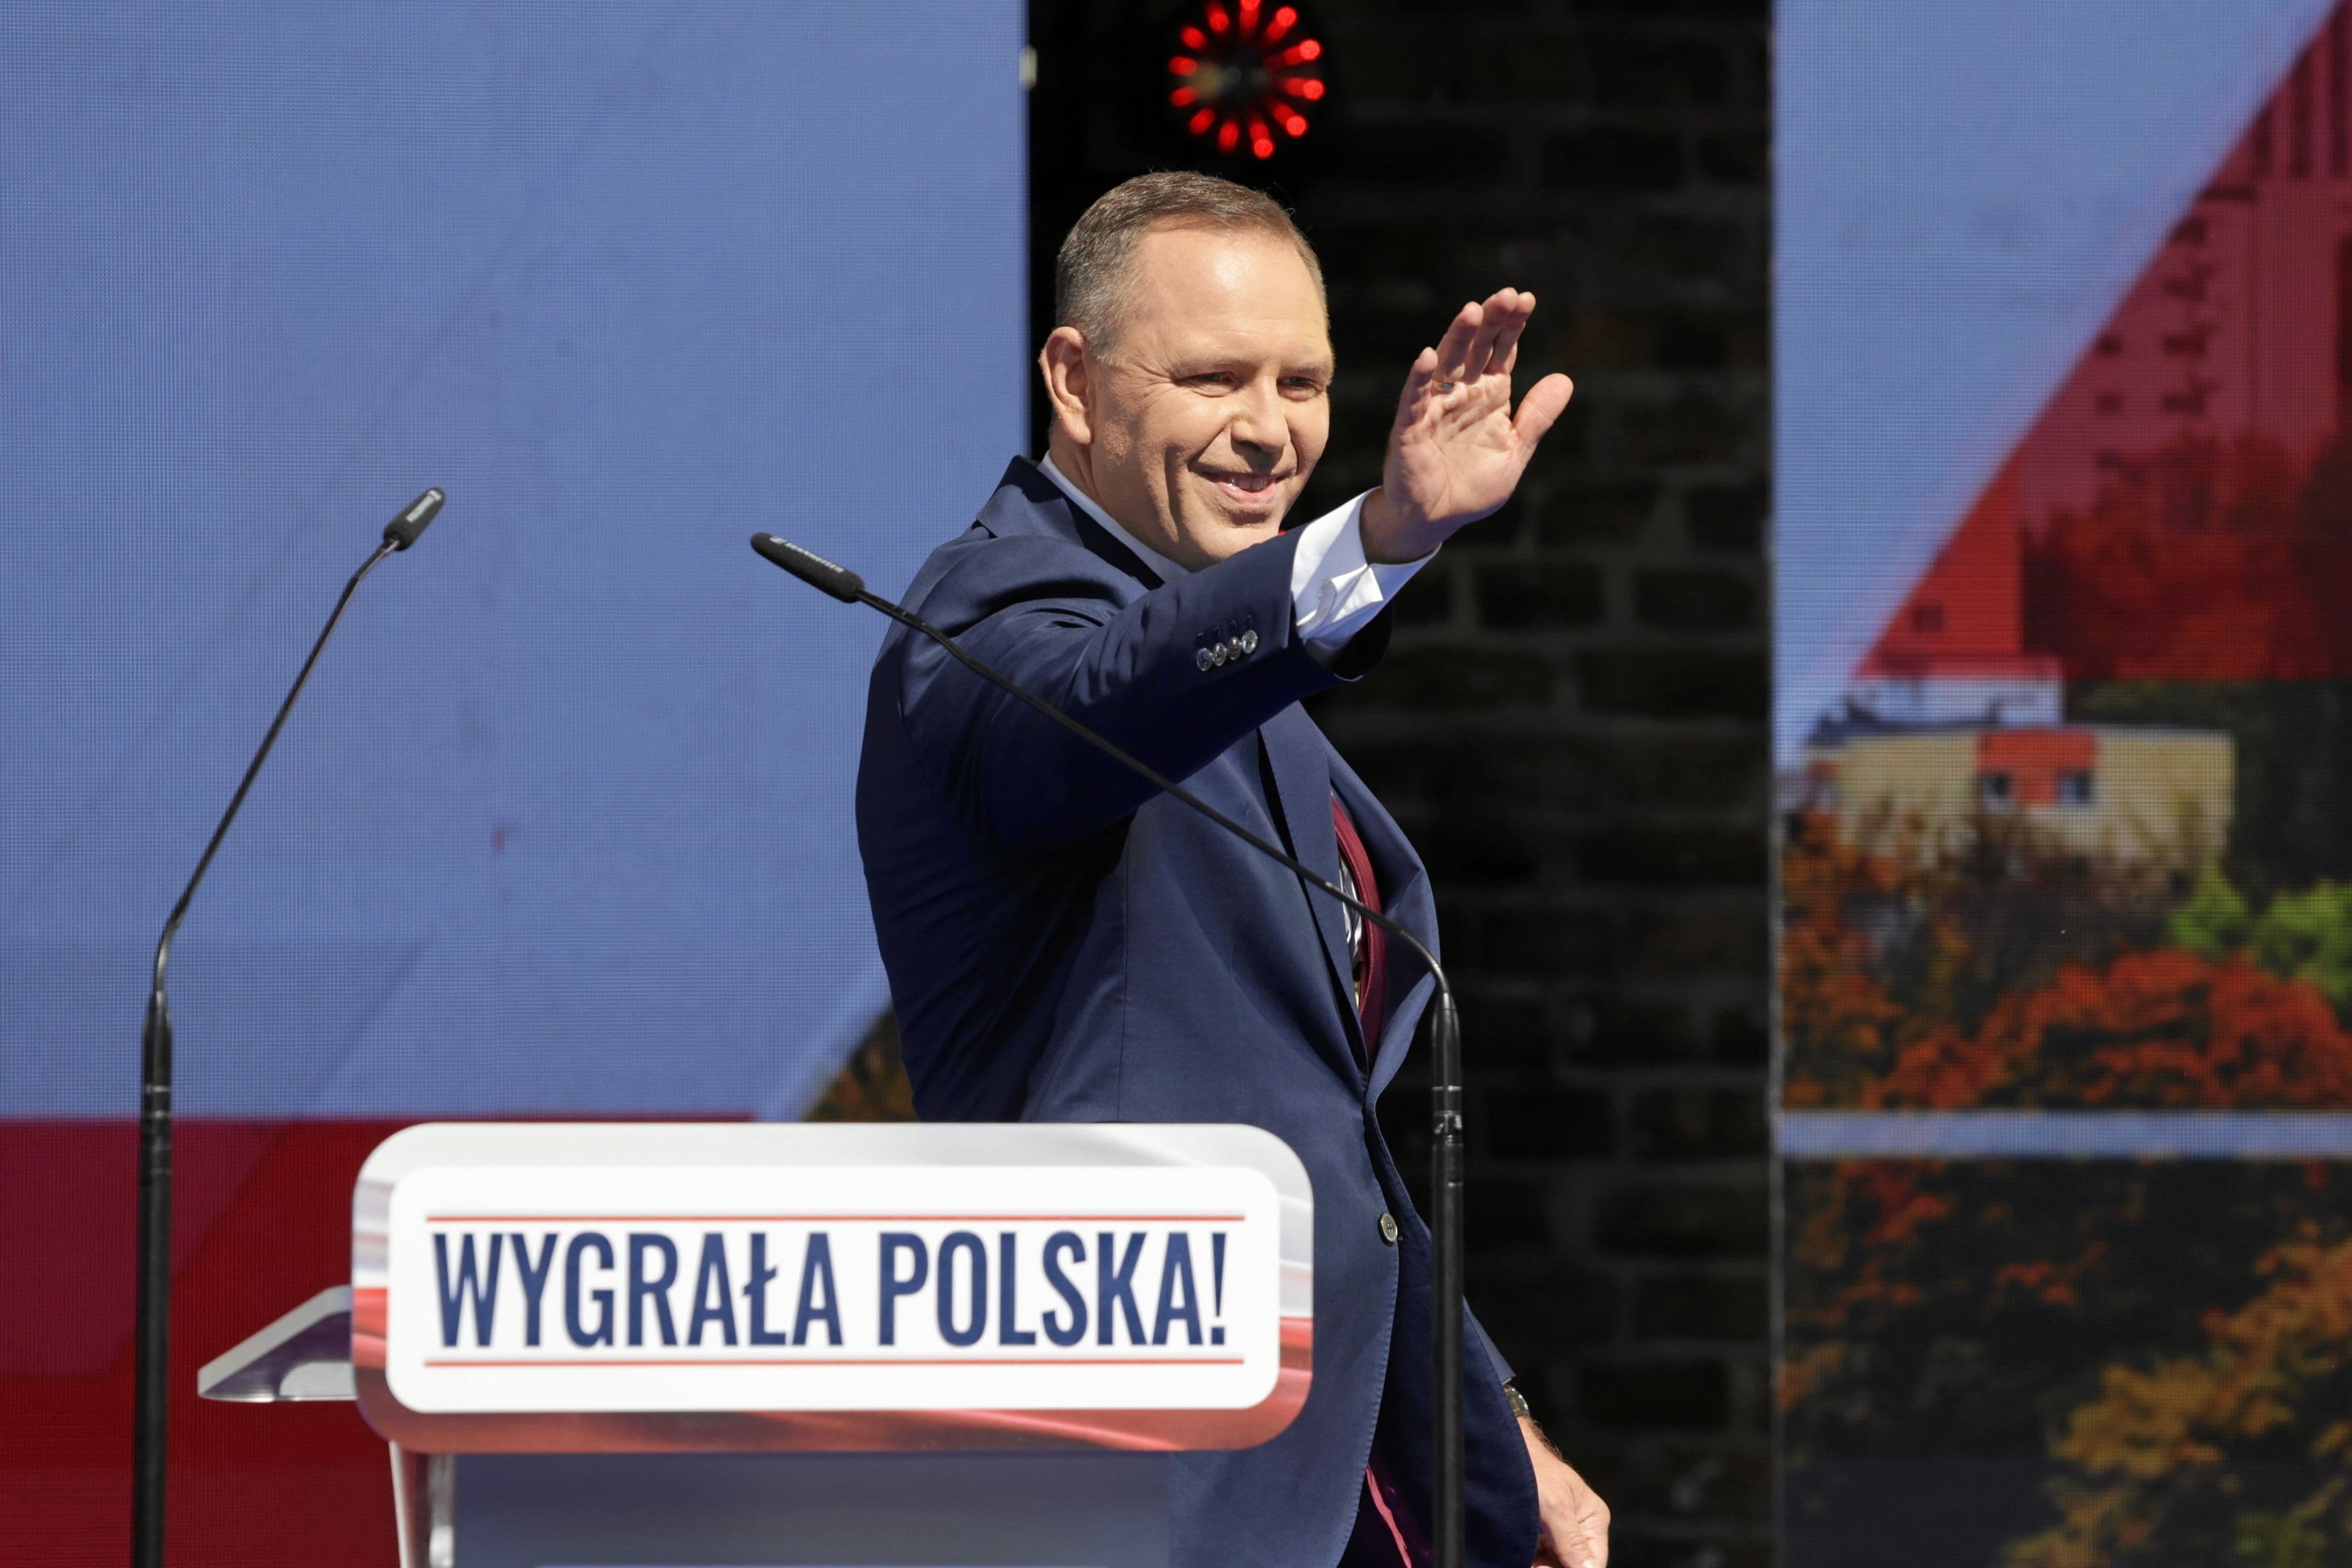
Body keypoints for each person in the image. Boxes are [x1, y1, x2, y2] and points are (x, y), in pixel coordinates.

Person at [856, 172, 1608, 1568]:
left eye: (1304, 380)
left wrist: (1510, 1440)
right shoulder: (986, 615)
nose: (1271, 431)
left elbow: (1340, 1158)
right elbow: (1107, 695)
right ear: (1075, 382)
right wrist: (1378, 540)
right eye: (1213, 376)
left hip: (1331, 1481)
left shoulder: (1255, 696)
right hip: (1131, 1476)